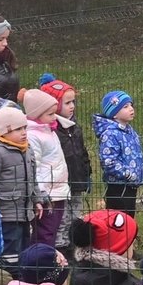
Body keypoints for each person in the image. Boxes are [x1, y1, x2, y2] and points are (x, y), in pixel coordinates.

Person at [0, 104, 37, 260]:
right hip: (6, 214)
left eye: (25, 128)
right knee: (10, 252)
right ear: (5, 131)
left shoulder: (28, 149)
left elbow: (33, 178)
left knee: (25, 250)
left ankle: (23, 279)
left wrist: (36, 199)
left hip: (26, 212)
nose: (24, 133)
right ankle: (10, 279)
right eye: (18, 129)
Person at [21, 90, 70, 248]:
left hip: (58, 189)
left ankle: (49, 261)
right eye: (50, 114)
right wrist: (40, 193)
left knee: (52, 230)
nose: (54, 117)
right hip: (47, 193)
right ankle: (41, 265)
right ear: (37, 114)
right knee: (45, 232)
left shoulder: (49, 130)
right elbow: (35, 167)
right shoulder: (34, 136)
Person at [38, 79, 93, 214]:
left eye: (73, 101)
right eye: (67, 103)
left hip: (76, 180)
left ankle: (74, 235)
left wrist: (87, 173)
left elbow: (82, 152)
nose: (72, 106)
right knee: (63, 219)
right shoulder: (52, 131)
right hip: (60, 184)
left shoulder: (74, 127)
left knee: (76, 215)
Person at [92, 91, 143, 215]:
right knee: (119, 220)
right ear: (114, 113)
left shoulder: (129, 130)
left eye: (131, 105)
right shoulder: (110, 134)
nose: (131, 109)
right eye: (125, 107)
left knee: (129, 218)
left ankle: (129, 234)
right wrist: (127, 173)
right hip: (118, 186)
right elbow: (108, 162)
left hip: (130, 184)